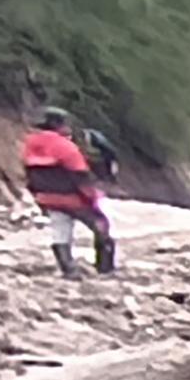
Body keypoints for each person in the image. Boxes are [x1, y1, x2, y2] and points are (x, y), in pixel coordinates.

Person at [18, 107, 114, 278]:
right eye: (65, 124)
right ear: (56, 124)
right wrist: (92, 199)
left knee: (60, 230)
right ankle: (105, 270)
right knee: (101, 225)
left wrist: (38, 198)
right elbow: (80, 177)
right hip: (73, 198)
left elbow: (29, 174)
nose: (68, 128)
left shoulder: (30, 144)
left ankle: (68, 268)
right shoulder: (65, 147)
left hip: (46, 197)